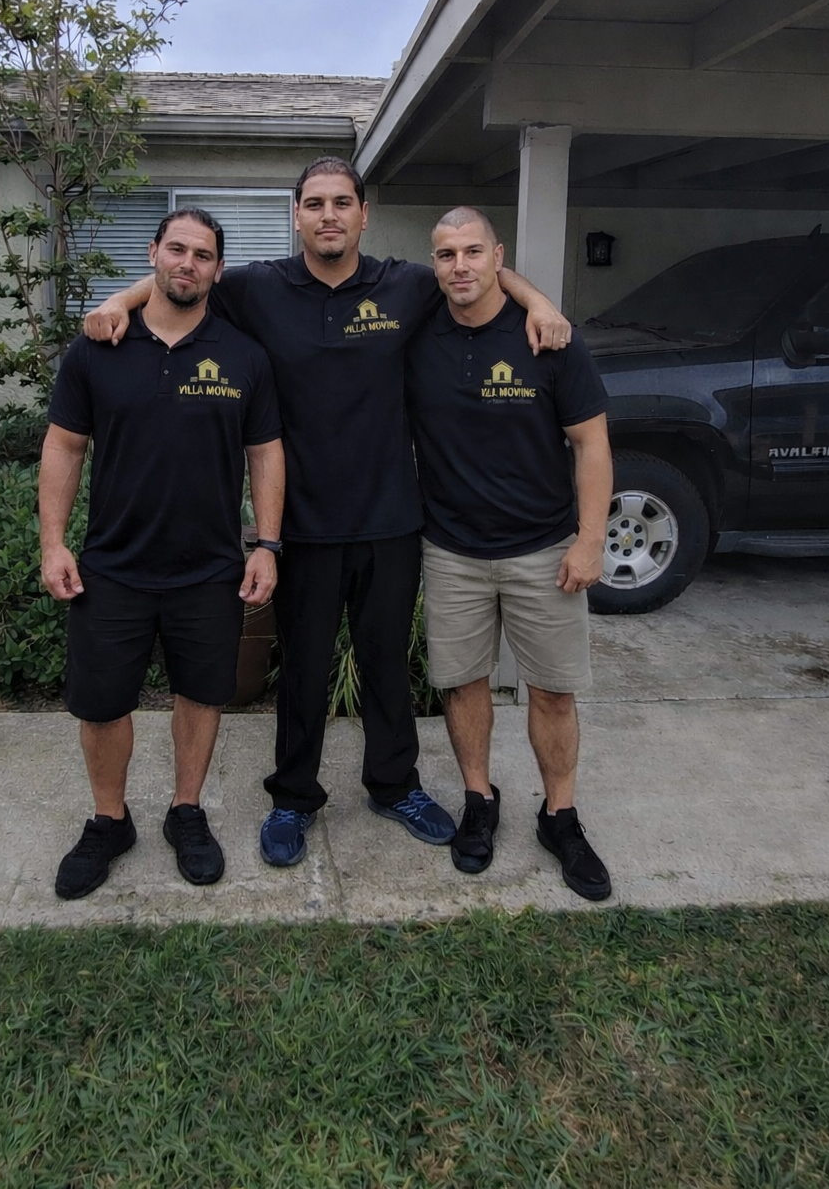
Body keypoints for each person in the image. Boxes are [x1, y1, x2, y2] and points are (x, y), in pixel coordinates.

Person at [85, 159, 571, 869]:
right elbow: (182, 280)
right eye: (314, 204)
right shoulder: (258, 288)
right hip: (303, 528)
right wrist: (121, 303)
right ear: (297, 216)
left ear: (363, 215)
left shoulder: (404, 284)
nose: (329, 215)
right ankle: (293, 797)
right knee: (305, 671)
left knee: (384, 667)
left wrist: (542, 304)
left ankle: (393, 784)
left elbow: (481, 276)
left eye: (342, 202)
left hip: (391, 519)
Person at [40, 208, 284, 898]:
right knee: (101, 705)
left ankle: (185, 811)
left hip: (208, 568)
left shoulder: (243, 356)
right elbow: (64, 445)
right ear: (153, 253)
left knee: (200, 696)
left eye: (203, 255)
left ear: (217, 270)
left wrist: (265, 543)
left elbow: (266, 452)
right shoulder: (98, 349)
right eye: (176, 249)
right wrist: (53, 542)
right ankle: (109, 820)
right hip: (112, 565)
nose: (188, 263)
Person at [405, 206, 614, 899]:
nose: (459, 266)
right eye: (445, 255)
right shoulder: (416, 331)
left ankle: (561, 816)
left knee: (553, 691)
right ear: (432, 264)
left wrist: (591, 540)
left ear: (499, 256)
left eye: (472, 252)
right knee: (463, 684)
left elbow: (591, 444)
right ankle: (478, 801)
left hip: (544, 547)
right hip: (452, 549)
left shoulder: (549, 340)